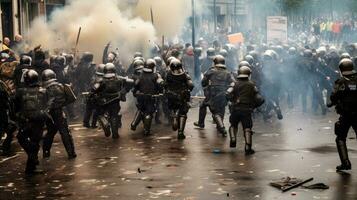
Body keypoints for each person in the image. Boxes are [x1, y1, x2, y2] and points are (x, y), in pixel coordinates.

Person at [15, 70, 48, 174]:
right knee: (34, 143)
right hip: (38, 120)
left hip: (25, 120)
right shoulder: (43, 90)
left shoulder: (20, 91)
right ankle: (32, 161)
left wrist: (19, 117)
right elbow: (46, 105)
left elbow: (16, 107)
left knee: (22, 138)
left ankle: (30, 167)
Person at [227, 66, 264, 155]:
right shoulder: (252, 85)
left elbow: (227, 94)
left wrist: (233, 101)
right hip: (246, 110)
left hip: (235, 109)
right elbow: (260, 99)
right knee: (247, 128)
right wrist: (254, 106)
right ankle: (248, 147)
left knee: (233, 124)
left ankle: (233, 138)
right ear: (248, 74)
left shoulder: (234, 84)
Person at [328, 58, 357, 171]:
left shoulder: (341, 81)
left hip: (346, 114)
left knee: (340, 138)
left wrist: (332, 102)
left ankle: (345, 163)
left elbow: (333, 97)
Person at [41, 69, 77, 159]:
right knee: (65, 132)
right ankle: (71, 153)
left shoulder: (43, 90)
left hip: (49, 114)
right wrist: (62, 104)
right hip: (59, 112)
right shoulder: (61, 86)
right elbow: (72, 98)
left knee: (50, 132)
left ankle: (46, 153)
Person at [94, 63, 132, 139]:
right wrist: (124, 91)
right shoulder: (119, 79)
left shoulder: (101, 81)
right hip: (115, 100)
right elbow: (130, 82)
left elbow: (94, 89)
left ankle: (105, 124)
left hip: (104, 101)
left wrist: (94, 94)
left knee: (100, 114)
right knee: (114, 115)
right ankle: (115, 133)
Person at [200, 55, 235, 136]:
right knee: (221, 109)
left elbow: (203, 82)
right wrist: (228, 90)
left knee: (208, 108)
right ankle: (220, 126)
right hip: (224, 93)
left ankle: (220, 127)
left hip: (212, 94)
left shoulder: (211, 71)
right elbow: (233, 83)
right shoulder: (227, 72)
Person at [131, 59, 163, 135]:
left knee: (140, 110)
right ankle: (146, 130)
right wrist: (160, 93)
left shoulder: (141, 75)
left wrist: (135, 92)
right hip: (150, 97)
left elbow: (136, 85)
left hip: (141, 97)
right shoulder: (156, 75)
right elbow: (160, 85)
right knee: (148, 113)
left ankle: (134, 124)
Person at [164, 59, 194, 139]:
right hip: (182, 97)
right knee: (183, 113)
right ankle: (180, 132)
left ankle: (174, 117)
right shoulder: (185, 74)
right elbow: (191, 85)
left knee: (173, 108)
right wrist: (188, 90)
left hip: (171, 96)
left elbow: (165, 85)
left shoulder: (168, 74)